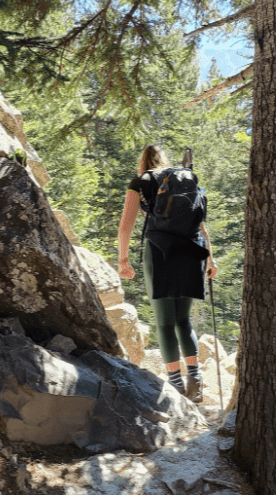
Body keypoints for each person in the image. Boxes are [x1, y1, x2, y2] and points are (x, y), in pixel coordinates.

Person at [117, 144, 217, 403]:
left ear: (143, 161)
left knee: (165, 323)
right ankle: (195, 381)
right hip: (192, 251)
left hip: (160, 251)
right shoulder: (185, 178)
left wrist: (123, 259)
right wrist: (210, 258)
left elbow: (126, 226)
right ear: (165, 160)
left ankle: (175, 384)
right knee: (184, 321)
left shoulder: (140, 180)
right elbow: (201, 223)